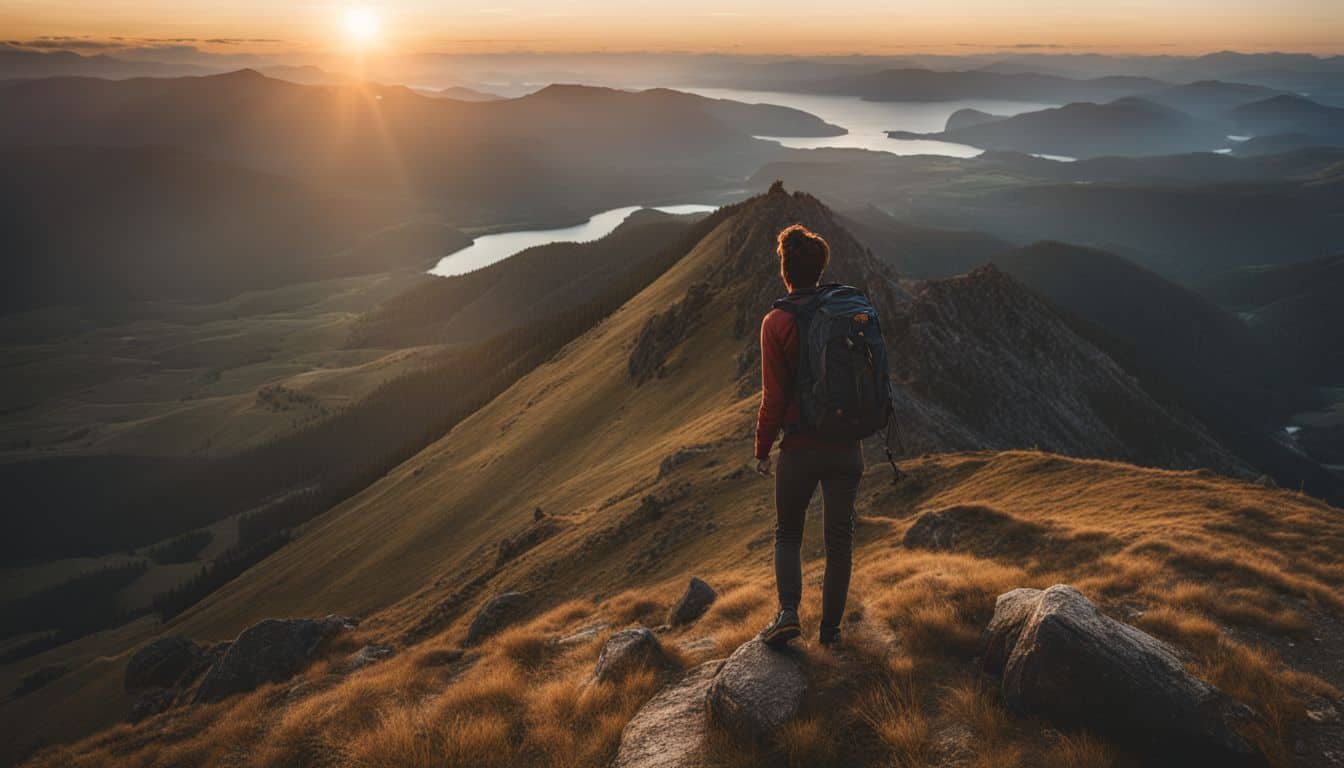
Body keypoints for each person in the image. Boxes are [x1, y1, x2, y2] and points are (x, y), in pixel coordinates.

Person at [753, 224, 865, 649]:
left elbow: (774, 397)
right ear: (820, 269)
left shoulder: (776, 321)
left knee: (788, 534)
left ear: (785, 271)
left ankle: (787, 614)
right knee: (839, 543)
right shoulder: (845, 310)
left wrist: (763, 449)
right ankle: (831, 636)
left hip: (799, 447)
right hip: (846, 447)